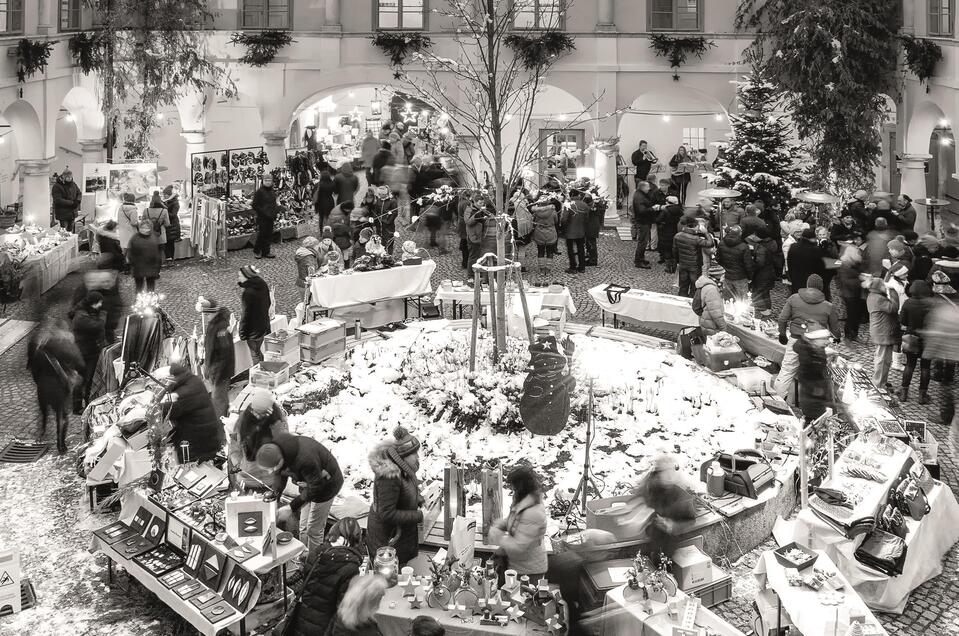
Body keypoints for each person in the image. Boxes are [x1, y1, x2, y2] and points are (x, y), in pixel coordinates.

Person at [255, 432, 344, 554]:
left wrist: (291, 507)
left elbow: (315, 487)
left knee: (313, 529)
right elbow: (280, 474)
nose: (270, 472)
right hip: (308, 480)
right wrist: (275, 495)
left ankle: (314, 562)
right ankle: (303, 556)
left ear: (281, 460)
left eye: (272, 468)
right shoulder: (276, 451)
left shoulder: (305, 459)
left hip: (327, 486)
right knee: (303, 526)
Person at [285, 518, 365, 636]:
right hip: (325, 627)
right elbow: (343, 608)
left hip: (303, 618)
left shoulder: (317, 552)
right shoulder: (349, 567)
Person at [774, 275, 841, 401]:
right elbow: (835, 330)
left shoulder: (794, 298)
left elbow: (782, 319)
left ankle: (777, 402)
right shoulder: (828, 306)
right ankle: (812, 408)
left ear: (807, 285)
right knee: (813, 376)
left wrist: (782, 334)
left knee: (787, 371)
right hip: (816, 346)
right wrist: (837, 337)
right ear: (821, 288)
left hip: (795, 341)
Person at [366, 427, 425, 567]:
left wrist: (418, 498)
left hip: (400, 534)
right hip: (386, 538)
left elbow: (406, 490)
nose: (418, 457)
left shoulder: (405, 469)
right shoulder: (389, 477)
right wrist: (418, 516)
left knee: (400, 571)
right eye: (414, 454)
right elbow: (386, 513)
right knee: (390, 578)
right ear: (403, 456)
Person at [27, 319, 83, 453]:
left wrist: (40, 382)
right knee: (62, 415)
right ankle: (61, 445)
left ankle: (41, 433)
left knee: (43, 411)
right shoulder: (69, 347)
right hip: (60, 387)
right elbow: (80, 364)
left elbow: (34, 369)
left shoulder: (41, 348)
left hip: (43, 386)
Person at [488, 466, 548, 581]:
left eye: (514, 487)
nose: (512, 490)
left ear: (521, 487)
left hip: (529, 571)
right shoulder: (521, 500)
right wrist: (501, 524)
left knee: (521, 597)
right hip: (516, 564)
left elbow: (519, 546)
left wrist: (498, 538)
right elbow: (515, 519)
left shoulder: (534, 512)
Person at [166, 363, 226, 463]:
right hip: (206, 438)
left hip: (197, 444)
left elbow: (169, 411)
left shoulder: (186, 391)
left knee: (196, 468)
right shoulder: (193, 380)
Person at [70, 291, 105, 413]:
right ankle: (77, 406)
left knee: (87, 379)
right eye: (99, 302)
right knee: (83, 379)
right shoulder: (81, 317)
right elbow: (98, 326)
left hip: (89, 350)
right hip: (84, 352)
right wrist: (102, 316)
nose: (101, 305)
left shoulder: (86, 312)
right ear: (93, 303)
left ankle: (87, 403)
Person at [899, 280, 933, 403]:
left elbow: (903, 321)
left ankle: (903, 394)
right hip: (928, 339)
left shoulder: (908, 303)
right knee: (925, 367)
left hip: (911, 337)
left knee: (909, 365)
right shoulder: (930, 304)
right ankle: (922, 396)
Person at [865, 277, 901, 388]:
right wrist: (893, 292)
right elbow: (894, 308)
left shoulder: (873, 296)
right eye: (883, 285)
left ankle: (881, 382)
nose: (885, 287)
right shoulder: (878, 298)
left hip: (882, 331)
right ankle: (878, 385)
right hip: (883, 333)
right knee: (882, 360)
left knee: (884, 359)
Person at [238, 387, 288, 464]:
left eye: (262, 413)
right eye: (256, 413)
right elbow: (242, 438)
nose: (259, 415)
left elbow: (282, 433)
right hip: (254, 453)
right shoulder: (246, 417)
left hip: (269, 451)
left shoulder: (276, 415)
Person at [794, 326, 834, 422]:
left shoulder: (814, 349)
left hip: (816, 393)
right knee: (815, 420)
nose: (828, 341)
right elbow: (809, 375)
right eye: (824, 339)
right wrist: (820, 391)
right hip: (813, 396)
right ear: (813, 340)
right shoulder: (810, 356)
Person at [203, 304, 235, 418]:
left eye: (207, 314)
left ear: (214, 313)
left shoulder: (220, 327)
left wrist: (215, 371)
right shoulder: (214, 325)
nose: (205, 317)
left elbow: (224, 352)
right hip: (217, 370)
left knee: (218, 399)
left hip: (220, 371)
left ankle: (219, 425)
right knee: (221, 398)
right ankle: (223, 417)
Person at [238, 264, 272, 365]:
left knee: (255, 354)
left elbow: (246, 314)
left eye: (240, 276)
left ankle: (260, 375)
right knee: (257, 352)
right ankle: (263, 368)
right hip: (264, 325)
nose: (239, 278)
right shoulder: (262, 284)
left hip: (253, 331)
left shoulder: (248, 293)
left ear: (247, 277)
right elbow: (269, 302)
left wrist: (242, 332)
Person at [672, 217, 714, 297]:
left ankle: (681, 300)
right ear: (695, 226)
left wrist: (678, 261)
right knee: (694, 286)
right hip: (694, 266)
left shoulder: (677, 236)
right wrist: (706, 233)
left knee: (683, 286)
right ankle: (691, 302)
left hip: (683, 264)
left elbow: (674, 251)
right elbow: (710, 243)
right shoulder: (696, 239)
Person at [747, 227, 781, 316]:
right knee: (765, 293)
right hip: (769, 273)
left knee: (757, 293)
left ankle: (764, 311)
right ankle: (768, 309)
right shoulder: (771, 243)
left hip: (762, 275)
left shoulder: (760, 248)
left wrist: (751, 265)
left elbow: (760, 263)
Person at [716, 225, 753, 302]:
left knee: (728, 299)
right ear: (740, 233)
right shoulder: (744, 247)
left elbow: (718, 259)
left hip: (727, 275)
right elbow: (748, 265)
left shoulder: (722, 243)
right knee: (742, 300)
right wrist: (750, 277)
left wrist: (725, 268)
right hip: (740, 277)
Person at [837, 245, 866, 341]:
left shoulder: (854, 263)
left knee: (856, 315)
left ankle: (854, 335)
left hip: (856, 293)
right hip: (849, 294)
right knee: (852, 316)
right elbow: (846, 281)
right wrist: (861, 280)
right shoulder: (845, 265)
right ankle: (849, 336)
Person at [787, 228, 827, 296]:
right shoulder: (816, 250)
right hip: (810, 282)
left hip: (796, 279)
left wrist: (791, 277)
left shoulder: (793, 247)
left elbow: (789, 263)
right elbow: (821, 266)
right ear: (813, 238)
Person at [127, 220, 161, 293]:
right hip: (138, 267)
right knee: (139, 287)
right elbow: (130, 253)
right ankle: (139, 302)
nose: (144, 229)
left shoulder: (154, 237)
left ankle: (150, 301)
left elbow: (158, 253)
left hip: (151, 267)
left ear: (150, 228)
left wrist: (157, 266)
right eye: (143, 227)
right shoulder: (135, 238)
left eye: (147, 227)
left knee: (150, 287)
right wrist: (133, 264)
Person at [693, 264, 727, 336]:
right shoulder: (712, 289)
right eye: (723, 275)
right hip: (711, 325)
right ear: (719, 276)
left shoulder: (706, 284)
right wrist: (724, 328)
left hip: (705, 321)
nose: (724, 278)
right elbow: (715, 313)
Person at [253, 174, 281, 259]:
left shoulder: (272, 191)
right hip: (262, 217)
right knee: (262, 234)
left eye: (269, 181)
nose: (268, 182)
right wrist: (263, 212)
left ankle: (266, 251)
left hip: (271, 216)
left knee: (269, 234)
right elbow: (255, 205)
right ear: (263, 181)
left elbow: (274, 203)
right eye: (266, 181)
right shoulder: (259, 192)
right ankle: (257, 251)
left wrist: (275, 212)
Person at [561, 189, 589, 274]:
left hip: (570, 230)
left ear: (571, 195)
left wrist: (562, 228)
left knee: (570, 249)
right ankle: (582, 267)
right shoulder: (584, 205)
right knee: (581, 248)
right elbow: (587, 218)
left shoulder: (568, 205)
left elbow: (564, 219)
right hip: (581, 230)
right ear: (578, 195)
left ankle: (573, 267)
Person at [531, 200, 559, 283]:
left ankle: (542, 269)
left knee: (540, 251)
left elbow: (534, 222)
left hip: (539, 232)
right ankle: (548, 269)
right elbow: (556, 221)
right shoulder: (553, 212)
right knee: (550, 251)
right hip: (550, 232)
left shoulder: (536, 212)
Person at [655, 195, 683, 272]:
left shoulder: (666, 210)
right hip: (675, 230)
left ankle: (669, 267)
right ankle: (674, 264)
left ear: (668, 202)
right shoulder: (680, 210)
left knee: (666, 248)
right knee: (673, 247)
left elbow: (658, 220)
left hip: (665, 230)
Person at [632, 181, 656, 269]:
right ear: (643, 187)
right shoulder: (639, 197)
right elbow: (641, 211)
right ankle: (638, 261)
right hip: (643, 221)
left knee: (643, 241)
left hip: (644, 221)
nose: (649, 188)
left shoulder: (640, 195)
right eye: (647, 187)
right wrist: (652, 208)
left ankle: (641, 258)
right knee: (642, 242)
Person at [161, 185, 181, 262]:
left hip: (172, 225)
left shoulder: (175, 203)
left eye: (165, 194)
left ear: (169, 194)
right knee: (166, 242)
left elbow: (173, 214)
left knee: (170, 242)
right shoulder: (167, 201)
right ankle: (168, 258)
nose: (163, 196)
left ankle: (170, 258)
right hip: (168, 225)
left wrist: (164, 212)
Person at [584, 193, 604, 267]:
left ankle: (593, 260)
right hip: (593, 226)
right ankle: (591, 257)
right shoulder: (594, 205)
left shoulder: (591, 207)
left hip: (591, 227)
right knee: (590, 243)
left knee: (591, 243)